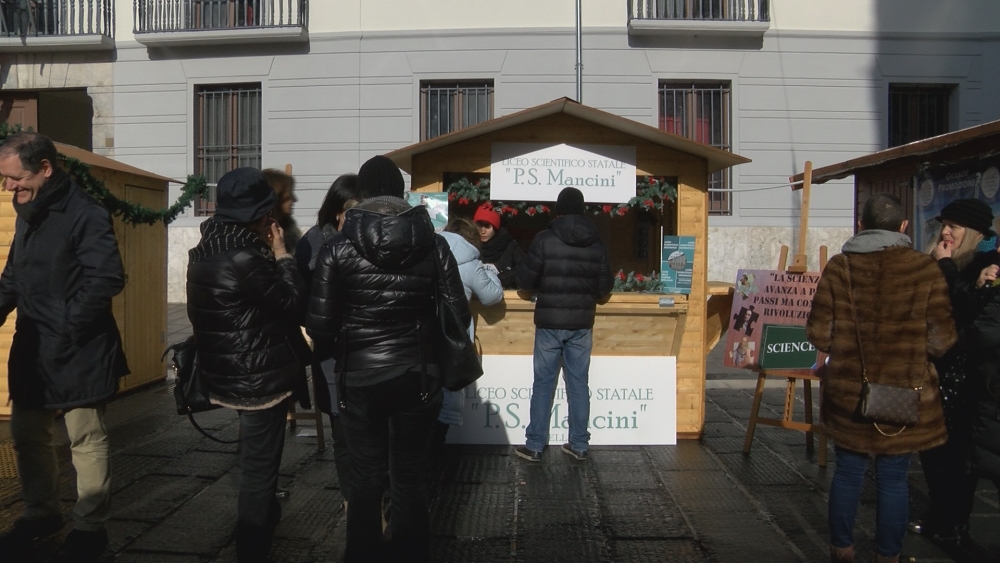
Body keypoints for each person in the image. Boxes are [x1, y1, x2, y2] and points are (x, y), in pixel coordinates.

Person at [305, 155, 469, 563]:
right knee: (410, 478)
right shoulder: (435, 244)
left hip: (359, 375)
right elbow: (457, 315)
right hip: (418, 374)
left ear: (360, 196)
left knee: (364, 479)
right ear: (401, 194)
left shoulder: (336, 249)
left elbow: (320, 327)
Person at [0, 132, 129, 563]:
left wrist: (69, 324)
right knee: (26, 434)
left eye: (15, 179)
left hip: (79, 349)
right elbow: (13, 278)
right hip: (33, 346)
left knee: (85, 438)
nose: (8, 188)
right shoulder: (27, 212)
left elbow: (106, 278)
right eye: (5, 180)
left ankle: (90, 527)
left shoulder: (85, 212)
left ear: (45, 169)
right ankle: (41, 513)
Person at [806, 193, 956, 563]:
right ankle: (888, 555)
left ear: (860, 226)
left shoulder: (841, 268)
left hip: (848, 395)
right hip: (905, 393)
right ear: (903, 227)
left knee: (847, 473)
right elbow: (942, 340)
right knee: (893, 479)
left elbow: (820, 335)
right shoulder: (924, 269)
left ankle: (842, 549)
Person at [186, 167, 306, 563]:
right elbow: (291, 304)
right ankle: (252, 547)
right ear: (261, 215)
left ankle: (264, 521)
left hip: (229, 369)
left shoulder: (206, 247)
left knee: (254, 459)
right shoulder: (245, 256)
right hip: (259, 376)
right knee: (259, 469)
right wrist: (283, 255)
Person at [911, 198, 996, 550]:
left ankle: (954, 525)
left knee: (958, 459)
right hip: (933, 374)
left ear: (973, 233)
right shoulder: (937, 260)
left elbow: (964, 312)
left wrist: (946, 269)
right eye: (944, 224)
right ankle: (940, 518)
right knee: (931, 454)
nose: (946, 232)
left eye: (955, 227)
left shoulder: (987, 265)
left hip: (966, 381)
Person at [513, 187, 613, 463]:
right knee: (579, 383)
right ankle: (579, 444)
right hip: (581, 322)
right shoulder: (597, 243)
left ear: (558, 210)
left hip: (549, 322)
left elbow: (524, 280)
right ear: (582, 210)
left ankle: (535, 445)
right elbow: (605, 288)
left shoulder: (544, 239)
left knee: (544, 383)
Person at [294, 173, 362, 508]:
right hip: (331, 350)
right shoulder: (315, 243)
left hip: (364, 350)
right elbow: (305, 300)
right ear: (339, 211)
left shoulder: (367, 238)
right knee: (342, 429)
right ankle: (353, 505)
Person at [432, 218, 504, 456]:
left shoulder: (427, 250)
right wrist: (490, 271)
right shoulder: (471, 261)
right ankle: (433, 457)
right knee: (446, 393)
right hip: (453, 339)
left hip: (421, 336)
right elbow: (492, 297)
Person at [474, 202, 524, 289]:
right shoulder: (470, 245)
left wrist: (504, 278)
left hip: (506, 295)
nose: (483, 231)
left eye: (487, 226)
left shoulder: (509, 245)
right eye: (479, 226)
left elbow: (523, 267)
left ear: (495, 227)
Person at [262, 167, 302, 254]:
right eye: (289, 195)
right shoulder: (252, 239)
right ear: (277, 198)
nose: (295, 199)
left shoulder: (290, 233)